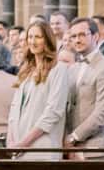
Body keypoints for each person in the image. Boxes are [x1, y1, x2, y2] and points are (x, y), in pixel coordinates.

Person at [6, 16, 72, 152]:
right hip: (18, 143)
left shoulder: (58, 69)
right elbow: (14, 108)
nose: (33, 42)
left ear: (47, 40)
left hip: (42, 144)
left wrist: (24, 143)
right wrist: (11, 139)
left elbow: (54, 111)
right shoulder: (26, 70)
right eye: (30, 37)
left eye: (38, 37)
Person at [63, 16, 104, 153]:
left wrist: (74, 137)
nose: (77, 40)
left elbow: (103, 112)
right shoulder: (74, 68)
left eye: (82, 35)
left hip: (96, 147)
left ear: (95, 36)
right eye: (73, 36)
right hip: (72, 147)